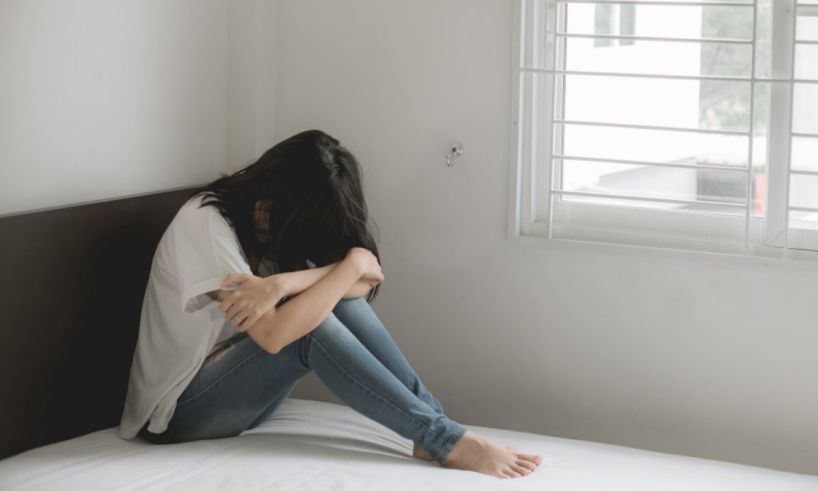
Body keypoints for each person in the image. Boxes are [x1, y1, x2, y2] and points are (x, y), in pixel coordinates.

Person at [119, 129, 542, 478]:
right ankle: (442, 437)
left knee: (332, 302)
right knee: (310, 328)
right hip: (179, 414)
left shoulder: (269, 224)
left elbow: (366, 279)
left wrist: (285, 282)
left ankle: (434, 429)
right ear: (272, 198)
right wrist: (347, 266)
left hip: (240, 396)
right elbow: (273, 336)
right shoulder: (206, 224)